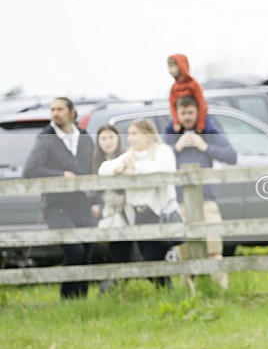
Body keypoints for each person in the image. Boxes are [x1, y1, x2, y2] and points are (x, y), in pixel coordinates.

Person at [23, 97, 96, 299]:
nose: (55, 113)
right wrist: (61, 175)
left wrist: (97, 201)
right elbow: (30, 169)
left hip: (83, 204)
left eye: (60, 109)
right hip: (56, 206)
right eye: (52, 109)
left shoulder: (84, 137)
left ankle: (81, 300)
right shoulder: (45, 137)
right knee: (74, 250)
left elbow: (94, 169)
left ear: (72, 112)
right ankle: (67, 297)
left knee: (86, 252)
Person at [163, 95, 237, 293]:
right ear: (177, 114)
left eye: (190, 112)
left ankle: (221, 293)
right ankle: (189, 295)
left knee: (213, 249)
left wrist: (204, 146)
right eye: (183, 113)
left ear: (197, 112)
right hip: (179, 201)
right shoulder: (170, 133)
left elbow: (232, 156)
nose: (187, 117)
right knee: (185, 253)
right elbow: (159, 160)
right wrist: (176, 148)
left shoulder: (209, 130)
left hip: (206, 200)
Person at [98, 119, 179, 289]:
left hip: (158, 213)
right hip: (138, 215)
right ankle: (167, 292)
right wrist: (118, 168)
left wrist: (136, 167)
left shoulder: (161, 150)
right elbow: (103, 169)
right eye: (129, 134)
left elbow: (167, 169)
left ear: (147, 135)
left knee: (151, 259)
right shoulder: (130, 154)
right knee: (150, 262)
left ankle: (167, 292)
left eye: (135, 134)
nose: (130, 138)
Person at [91, 124, 134, 292]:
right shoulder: (96, 160)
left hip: (129, 209)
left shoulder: (127, 157)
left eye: (111, 137)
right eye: (103, 138)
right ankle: (115, 289)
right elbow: (95, 189)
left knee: (136, 252)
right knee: (117, 250)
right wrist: (96, 203)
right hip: (109, 212)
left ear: (118, 138)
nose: (108, 142)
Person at [168, 53, 208, 133]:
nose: (170, 70)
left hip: (196, 118)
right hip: (181, 119)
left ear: (181, 66)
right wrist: (176, 122)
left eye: (172, 66)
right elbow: (172, 106)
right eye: (169, 67)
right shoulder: (174, 87)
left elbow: (202, 104)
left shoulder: (194, 84)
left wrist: (200, 124)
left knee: (211, 129)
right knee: (168, 131)